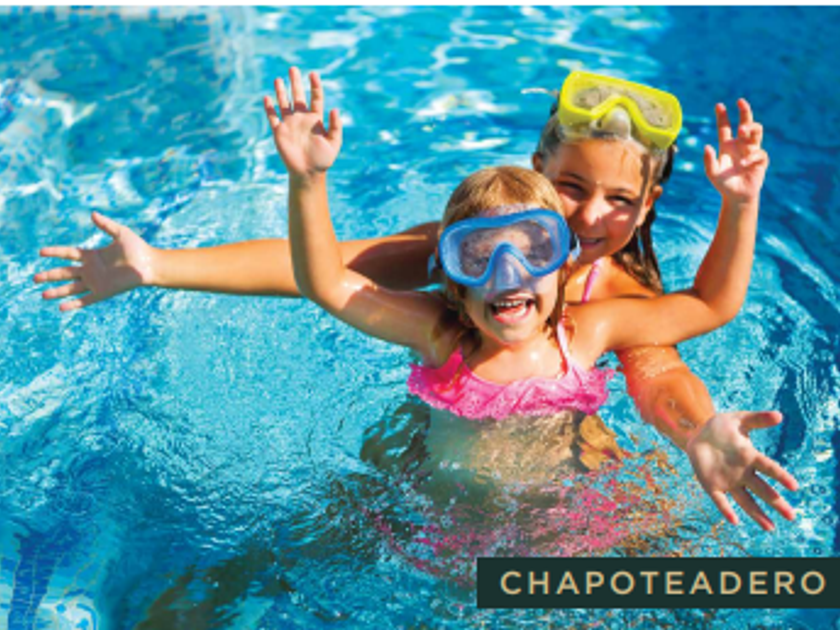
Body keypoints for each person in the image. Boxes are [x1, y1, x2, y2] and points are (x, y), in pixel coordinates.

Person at [34, 69, 796, 529]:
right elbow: (323, 272)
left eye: (620, 199)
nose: (591, 217)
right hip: (449, 480)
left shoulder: (606, 309)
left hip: (563, 476)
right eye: (570, 187)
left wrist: (696, 432)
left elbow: (665, 374)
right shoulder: (460, 280)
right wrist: (160, 264)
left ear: (649, 203)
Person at [263, 66, 796, 530]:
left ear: (565, 261)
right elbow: (326, 283)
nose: (508, 275)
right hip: (448, 526)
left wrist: (697, 432)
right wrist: (307, 180)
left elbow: (711, 306)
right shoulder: (439, 334)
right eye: (478, 258)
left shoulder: (586, 332)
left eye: (534, 253)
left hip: (568, 521)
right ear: (451, 276)